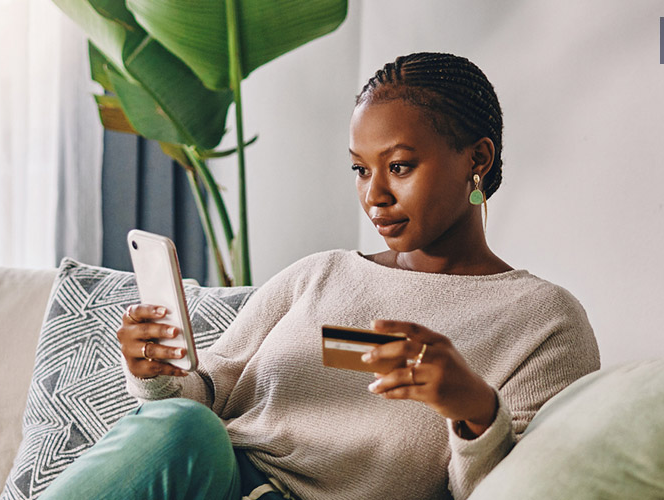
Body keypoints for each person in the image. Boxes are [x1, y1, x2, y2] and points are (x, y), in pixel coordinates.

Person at [36, 52, 600, 500]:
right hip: (210, 476)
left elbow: (516, 491)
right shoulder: (319, 274)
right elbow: (206, 395)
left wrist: (472, 408)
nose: (374, 196)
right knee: (185, 426)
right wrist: (156, 372)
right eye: (360, 169)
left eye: (399, 167)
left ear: (477, 159)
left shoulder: (543, 321)